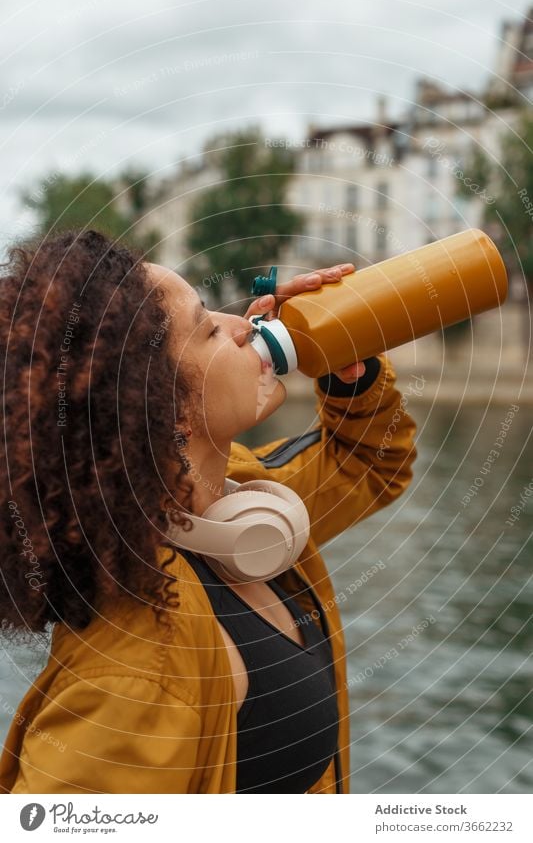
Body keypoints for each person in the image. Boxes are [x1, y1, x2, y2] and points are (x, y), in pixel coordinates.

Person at [0, 229, 417, 794]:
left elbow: (371, 465)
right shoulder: (137, 673)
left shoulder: (237, 501)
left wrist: (352, 371)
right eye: (206, 326)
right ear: (160, 409)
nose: (243, 323)